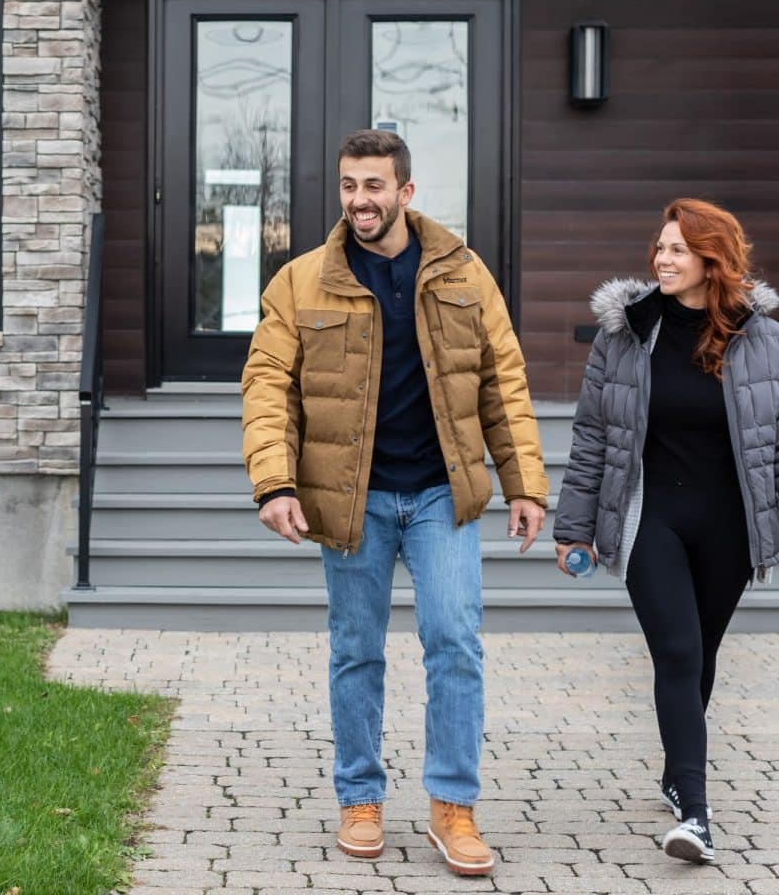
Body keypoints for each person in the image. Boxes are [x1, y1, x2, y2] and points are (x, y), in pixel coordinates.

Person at [241, 128, 549, 877]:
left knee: (456, 645)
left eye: (374, 186)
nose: (359, 200)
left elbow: (501, 381)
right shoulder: (301, 281)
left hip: (443, 495)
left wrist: (525, 484)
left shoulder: (464, 274)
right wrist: (275, 482)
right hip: (352, 500)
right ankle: (360, 797)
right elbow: (268, 385)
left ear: (406, 192)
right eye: (349, 185)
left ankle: (452, 808)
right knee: (356, 653)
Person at [552, 198, 779, 865]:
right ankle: (697, 815)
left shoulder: (761, 339)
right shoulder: (626, 336)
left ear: (714, 260)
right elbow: (594, 435)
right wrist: (575, 528)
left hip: (729, 528)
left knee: (701, 655)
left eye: (677, 249)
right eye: (659, 248)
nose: (662, 259)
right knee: (677, 651)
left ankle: (679, 770)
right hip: (652, 518)